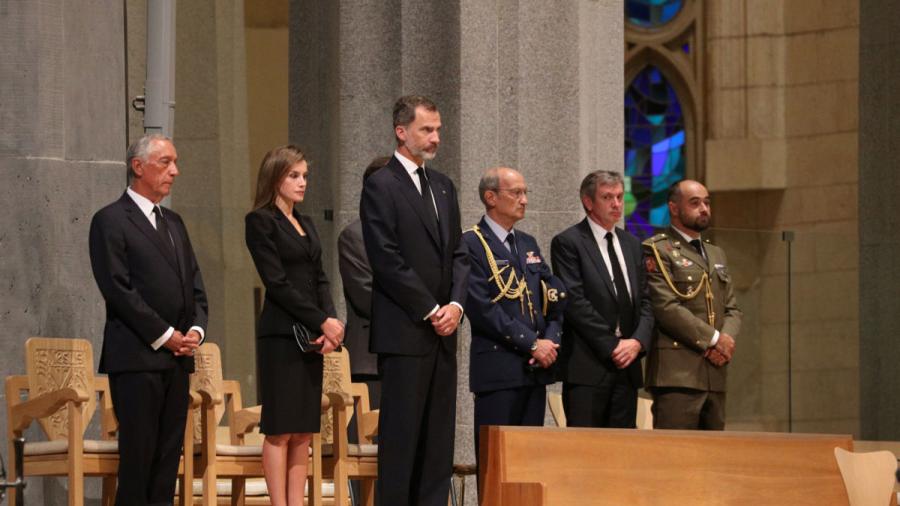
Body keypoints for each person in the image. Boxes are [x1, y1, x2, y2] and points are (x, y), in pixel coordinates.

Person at [360, 95, 469, 506]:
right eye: (427, 129)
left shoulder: (443, 185)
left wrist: (456, 306)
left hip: (444, 332)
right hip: (406, 332)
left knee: (437, 442)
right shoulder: (381, 184)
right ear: (401, 131)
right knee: (403, 441)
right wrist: (430, 308)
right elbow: (386, 258)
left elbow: (459, 253)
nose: (435, 137)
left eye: (438, 129)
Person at [89, 133, 208, 505]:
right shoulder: (110, 220)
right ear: (137, 167)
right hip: (138, 357)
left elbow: (195, 285)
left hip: (177, 359)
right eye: (165, 162)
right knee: (139, 461)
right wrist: (166, 334)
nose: (175, 170)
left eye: (175, 162)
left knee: (167, 462)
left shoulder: (174, 222)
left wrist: (195, 330)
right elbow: (119, 290)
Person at [244, 145, 344, 506]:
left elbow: (320, 278)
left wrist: (330, 321)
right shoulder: (259, 221)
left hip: (312, 337)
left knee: (303, 431)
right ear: (275, 177)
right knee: (280, 429)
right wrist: (320, 321)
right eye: (294, 175)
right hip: (281, 336)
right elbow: (277, 283)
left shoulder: (307, 222)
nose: (303, 183)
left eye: (305, 176)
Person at [463, 167, 566, 459]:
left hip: (535, 368)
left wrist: (550, 340)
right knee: (496, 462)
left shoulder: (527, 243)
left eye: (525, 193)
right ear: (491, 197)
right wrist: (532, 343)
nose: (524, 200)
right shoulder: (471, 243)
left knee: (528, 462)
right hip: (499, 367)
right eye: (516, 193)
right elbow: (482, 308)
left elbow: (555, 295)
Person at [550, 170, 654, 428]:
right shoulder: (569, 242)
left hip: (627, 369)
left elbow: (647, 302)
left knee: (623, 455)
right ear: (588, 202)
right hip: (588, 367)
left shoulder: (632, 244)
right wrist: (612, 345)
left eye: (619, 197)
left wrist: (637, 342)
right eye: (608, 197)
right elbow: (575, 302)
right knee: (585, 454)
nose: (617, 204)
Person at [642, 179, 742, 430]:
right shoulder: (657, 249)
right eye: (695, 203)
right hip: (678, 375)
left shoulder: (716, 253)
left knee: (714, 460)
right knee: (676, 459)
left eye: (707, 203)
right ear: (674, 208)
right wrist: (714, 339)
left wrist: (725, 342)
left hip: (715, 373)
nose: (704, 209)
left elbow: (732, 308)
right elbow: (666, 307)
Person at [337, 156, 390, 408]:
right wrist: (422, 312)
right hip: (371, 362)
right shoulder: (355, 235)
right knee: (369, 444)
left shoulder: (413, 234)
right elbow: (365, 296)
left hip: (411, 358)